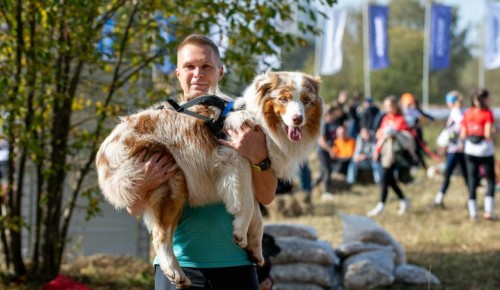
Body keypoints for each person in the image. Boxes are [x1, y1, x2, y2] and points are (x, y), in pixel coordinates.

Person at [126, 34, 277, 290]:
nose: (198, 73)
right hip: (178, 267)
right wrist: (145, 181)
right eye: (189, 67)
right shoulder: (159, 126)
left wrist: (258, 157)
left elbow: (266, 195)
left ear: (220, 71)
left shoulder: (244, 123)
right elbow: (134, 208)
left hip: (236, 265)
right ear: (177, 73)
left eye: (206, 66)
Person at [368, 96, 413, 217]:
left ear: (395, 106)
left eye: (389, 106)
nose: (387, 109)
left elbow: (406, 138)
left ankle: (380, 205)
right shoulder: (386, 118)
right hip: (384, 153)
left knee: (384, 178)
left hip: (394, 154)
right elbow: (379, 134)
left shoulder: (401, 120)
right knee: (390, 181)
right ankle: (404, 200)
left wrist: (394, 133)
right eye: (386, 106)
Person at [460, 88, 496, 220]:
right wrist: (494, 131)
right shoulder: (487, 114)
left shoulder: (467, 113)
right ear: (485, 99)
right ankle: (488, 211)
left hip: (470, 149)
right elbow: (487, 134)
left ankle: (473, 213)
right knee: (490, 179)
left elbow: (463, 134)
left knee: (472, 179)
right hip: (485, 150)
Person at [432, 91, 469, 208]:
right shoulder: (463, 111)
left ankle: (439, 200)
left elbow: (461, 126)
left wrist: (456, 141)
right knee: (466, 175)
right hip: (459, 148)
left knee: (449, 174)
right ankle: (471, 199)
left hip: (455, 149)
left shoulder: (456, 112)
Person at [315, 104, 344, 201]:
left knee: (323, 172)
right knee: (326, 171)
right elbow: (321, 141)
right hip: (323, 151)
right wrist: (330, 150)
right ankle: (326, 192)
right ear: (329, 114)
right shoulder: (324, 124)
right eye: (334, 114)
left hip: (329, 151)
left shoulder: (334, 124)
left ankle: (310, 187)